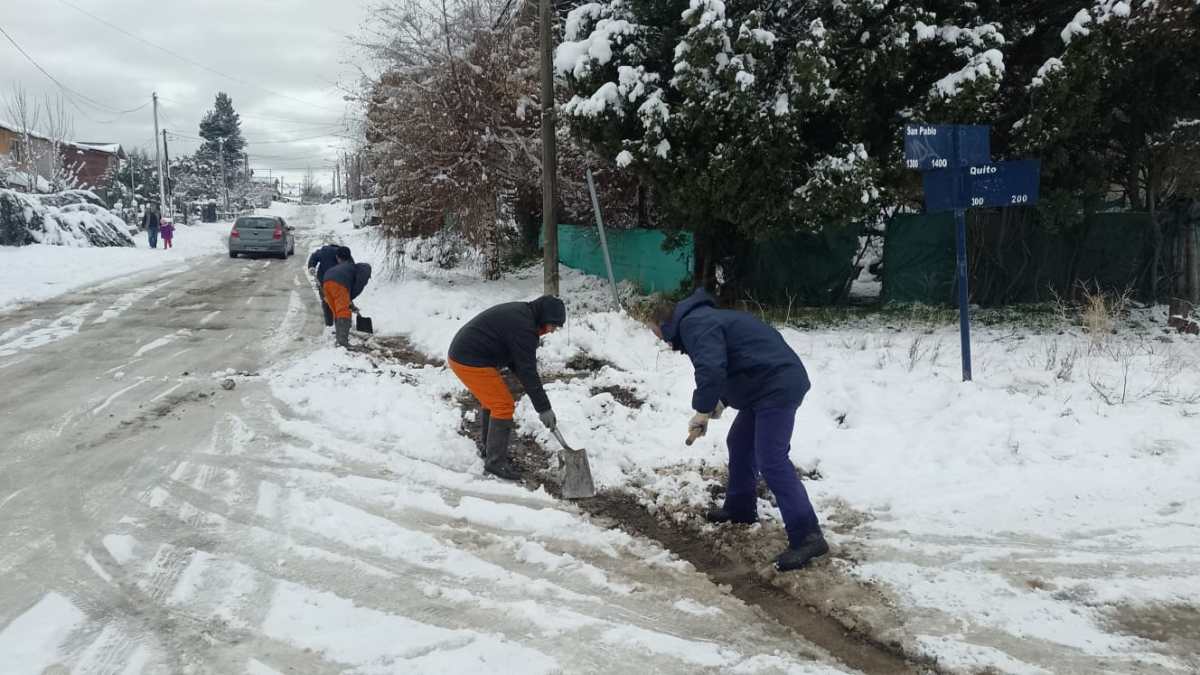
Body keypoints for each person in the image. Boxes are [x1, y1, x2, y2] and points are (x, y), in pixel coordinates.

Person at [651, 288, 827, 571]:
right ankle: (741, 508)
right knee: (740, 442)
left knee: (772, 459)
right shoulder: (702, 319)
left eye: (655, 331)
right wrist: (720, 401)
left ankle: (808, 536)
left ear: (664, 323)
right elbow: (739, 361)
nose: (658, 338)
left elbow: (711, 369)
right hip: (765, 383)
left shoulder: (695, 324)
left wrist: (702, 409)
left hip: (776, 385)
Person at [447, 297, 565, 481]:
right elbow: (527, 370)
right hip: (469, 359)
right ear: (544, 317)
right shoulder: (524, 328)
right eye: (553, 325)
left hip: (468, 355)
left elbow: (517, 361)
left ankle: (489, 450)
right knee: (503, 405)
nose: (552, 330)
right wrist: (544, 408)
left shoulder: (524, 316)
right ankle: (495, 463)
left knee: (494, 401)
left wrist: (540, 402)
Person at [322, 250, 371, 348]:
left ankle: (339, 338)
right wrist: (349, 301)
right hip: (338, 283)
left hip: (326, 282)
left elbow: (345, 293)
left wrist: (349, 303)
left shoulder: (348, 268)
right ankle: (342, 342)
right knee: (343, 312)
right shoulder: (364, 270)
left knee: (337, 311)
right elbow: (357, 287)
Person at [308, 244, 350, 328]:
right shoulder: (326, 252)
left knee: (341, 302)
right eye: (340, 261)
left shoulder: (349, 260)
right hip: (323, 280)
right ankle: (329, 324)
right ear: (337, 256)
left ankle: (342, 322)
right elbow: (314, 256)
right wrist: (311, 266)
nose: (342, 263)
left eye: (344, 262)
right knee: (326, 301)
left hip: (339, 282)